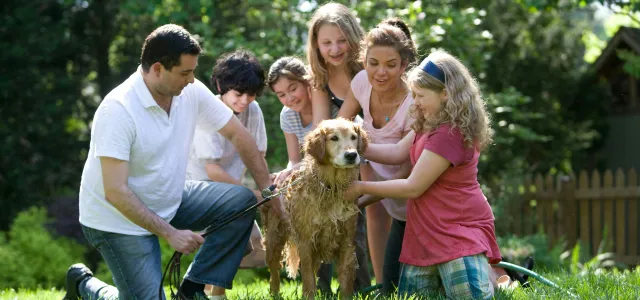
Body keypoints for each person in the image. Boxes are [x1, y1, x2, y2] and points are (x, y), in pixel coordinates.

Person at [63, 24, 279, 300]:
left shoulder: (188, 91)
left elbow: (239, 135)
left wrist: (269, 192)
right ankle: (84, 284)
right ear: (157, 69)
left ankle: (191, 290)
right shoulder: (117, 109)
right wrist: (171, 234)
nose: (191, 80)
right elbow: (115, 191)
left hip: (169, 195)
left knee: (240, 199)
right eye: (184, 73)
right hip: (116, 219)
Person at [345, 49, 501, 299]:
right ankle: (493, 276)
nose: (414, 102)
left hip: (456, 230)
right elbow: (397, 152)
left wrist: (361, 188)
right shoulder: (429, 122)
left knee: (468, 295)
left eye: (419, 95)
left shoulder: (449, 133)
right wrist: (351, 145)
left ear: (445, 94)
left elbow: (413, 187)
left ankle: (500, 279)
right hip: (426, 232)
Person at [267, 56, 370, 295]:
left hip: (346, 183)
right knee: (314, 234)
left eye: (293, 88)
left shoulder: (335, 112)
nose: (289, 98)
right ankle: (321, 291)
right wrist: (287, 173)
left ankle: (361, 289)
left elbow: (356, 148)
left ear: (307, 82)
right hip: (313, 183)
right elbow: (295, 158)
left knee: (355, 238)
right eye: (281, 94)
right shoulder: (287, 115)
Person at [337, 18, 417, 295]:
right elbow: (339, 127)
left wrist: (357, 198)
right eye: (373, 63)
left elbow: (408, 173)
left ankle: (504, 275)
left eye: (391, 65)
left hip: (420, 206)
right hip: (391, 203)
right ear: (364, 61)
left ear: (404, 65)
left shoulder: (416, 102)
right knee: (392, 288)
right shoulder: (361, 83)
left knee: (428, 283)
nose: (380, 72)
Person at [185, 49, 268, 297]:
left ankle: (211, 292)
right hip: (199, 187)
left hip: (233, 189)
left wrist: (266, 191)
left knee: (248, 246)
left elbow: (258, 157)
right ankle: (207, 292)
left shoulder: (253, 111)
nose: (244, 101)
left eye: (251, 95)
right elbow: (212, 170)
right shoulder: (207, 110)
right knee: (231, 237)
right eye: (238, 94)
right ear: (221, 85)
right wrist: (251, 194)